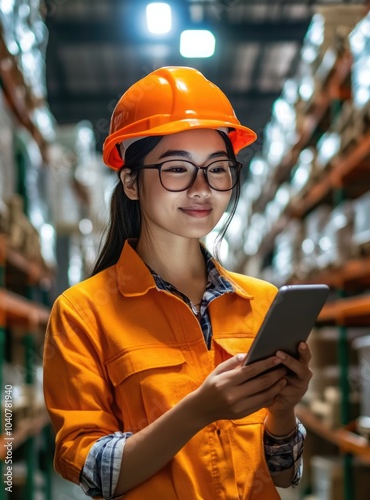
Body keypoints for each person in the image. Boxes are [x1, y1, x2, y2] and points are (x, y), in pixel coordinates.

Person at [43, 66, 311, 500]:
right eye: (177, 169)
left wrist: (283, 411)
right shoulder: (82, 312)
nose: (202, 189)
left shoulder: (261, 301)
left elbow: (282, 476)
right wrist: (199, 411)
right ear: (131, 181)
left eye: (217, 169)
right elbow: (93, 471)